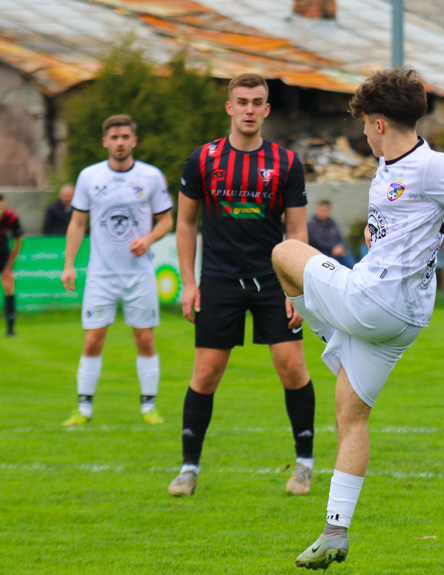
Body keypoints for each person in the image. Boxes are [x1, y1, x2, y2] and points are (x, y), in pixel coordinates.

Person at [271, 67, 444, 570]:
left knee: (285, 251)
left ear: (378, 123)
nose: (361, 133)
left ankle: (313, 318)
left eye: (363, 125)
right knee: (350, 414)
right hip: (403, 317)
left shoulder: (432, 166)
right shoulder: (387, 167)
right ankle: (335, 531)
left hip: (375, 301)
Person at [167, 73, 316, 499]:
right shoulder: (202, 159)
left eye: (257, 102)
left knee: (292, 369)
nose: (249, 109)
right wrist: (189, 283)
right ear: (229, 107)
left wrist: (298, 290)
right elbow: (185, 223)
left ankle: (304, 465)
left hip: (274, 283)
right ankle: (188, 468)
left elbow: (297, 231)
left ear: (267, 110)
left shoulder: (287, 163)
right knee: (206, 373)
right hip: (218, 281)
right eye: (242, 101)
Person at [61, 114, 174, 426]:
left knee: (144, 339)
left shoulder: (151, 176)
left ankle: (149, 407)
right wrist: (69, 265)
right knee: (93, 340)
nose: (120, 142)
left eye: (125, 137)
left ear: (134, 141)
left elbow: (167, 220)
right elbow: (78, 222)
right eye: (115, 137)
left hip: (139, 274)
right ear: (105, 142)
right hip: (100, 275)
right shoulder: (89, 176)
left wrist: (149, 239)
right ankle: (83, 409)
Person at [0, 194, 25, 337]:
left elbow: (18, 242)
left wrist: (8, 265)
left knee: (9, 285)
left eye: (1, 208)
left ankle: (10, 329)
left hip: (3, 251)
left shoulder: (12, 217)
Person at [307, 200, 355, 268]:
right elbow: (317, 242)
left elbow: (340, 237)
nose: (321, 212)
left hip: (337, 252)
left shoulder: (332, 222)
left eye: (324, 210)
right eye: (319, 210)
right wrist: (332, 249)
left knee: (349, 260)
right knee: (335, 266)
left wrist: (341, 247)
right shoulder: (311, 225)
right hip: (323, 253)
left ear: (328, 212)